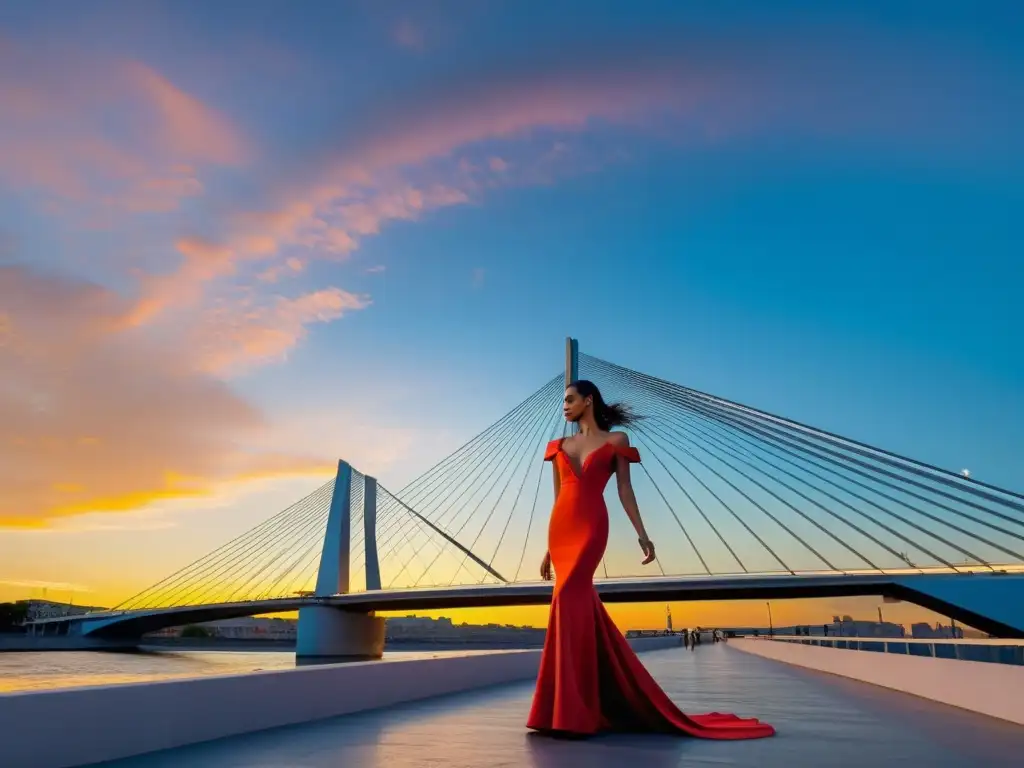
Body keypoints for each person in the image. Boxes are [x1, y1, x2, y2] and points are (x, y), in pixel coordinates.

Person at [527, 380, 775, 740]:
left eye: (570, 399)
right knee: (570, 603)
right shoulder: (558, 446)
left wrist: (643, 535)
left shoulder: (617, 442)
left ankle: (572, 709)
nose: (564, 406)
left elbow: (624, 490)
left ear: (588, 400)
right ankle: (567, 707)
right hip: (560, 530)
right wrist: (549, 548)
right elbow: (557, 499)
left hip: (592, 526)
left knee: (569, 598)